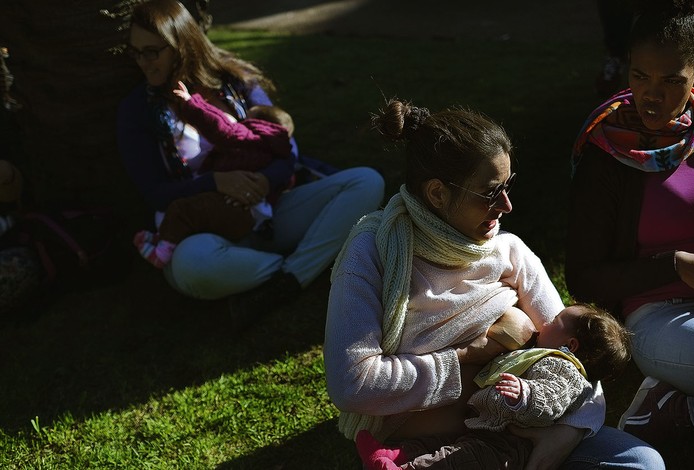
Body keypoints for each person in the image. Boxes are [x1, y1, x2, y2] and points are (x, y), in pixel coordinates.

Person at [324, 97, 663, 470]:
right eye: (489, 192)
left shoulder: (509, 251)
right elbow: (353, 383)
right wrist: (474, 353)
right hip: (428, 450)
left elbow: (576, 359)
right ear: (438, 193)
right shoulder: (374, 252)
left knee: (642, 461)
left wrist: (564, 435)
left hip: (517, 436)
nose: (506, 205)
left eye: (507, 185)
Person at [117, 0, 384, 326]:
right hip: (205, 231)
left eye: (152, 52)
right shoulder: (137, 111)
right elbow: (155, 192)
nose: (143, 63)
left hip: (269, 212)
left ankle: (285, 279)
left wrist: (266, 181)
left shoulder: (234, 81)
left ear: (181, 45)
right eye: (135, 52)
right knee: (191, 266)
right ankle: (300, 266)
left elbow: (286, 149)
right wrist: (215, 182)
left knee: (367, 182)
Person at [567, 0, 694, 451]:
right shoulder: (607, 153)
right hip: (655, 316)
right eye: (640, 76)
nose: (651, 95)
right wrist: (676, 266)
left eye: (670, 81)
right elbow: (583, 276)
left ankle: (677, 411)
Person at [354, 303, 633, 469]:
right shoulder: (544, 355)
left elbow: (551, 399)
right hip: (489, 432)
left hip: (509, 449)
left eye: (556, 321)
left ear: (570, 345)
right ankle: (393, 454)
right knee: (444, 445)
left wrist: (525, 395)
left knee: (453, 462)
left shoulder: (563, 368)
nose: (546, 321)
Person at [133, 80, 295, 269]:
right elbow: (286, 179)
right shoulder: (275, 149)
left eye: (247, 119)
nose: (242, 123)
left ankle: (163, 250)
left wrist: (191, 103)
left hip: (232, 207)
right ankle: (166, 238)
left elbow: (222, 128)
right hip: (255, 215)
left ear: (259, 123)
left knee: (184, 210)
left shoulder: (250, 137)